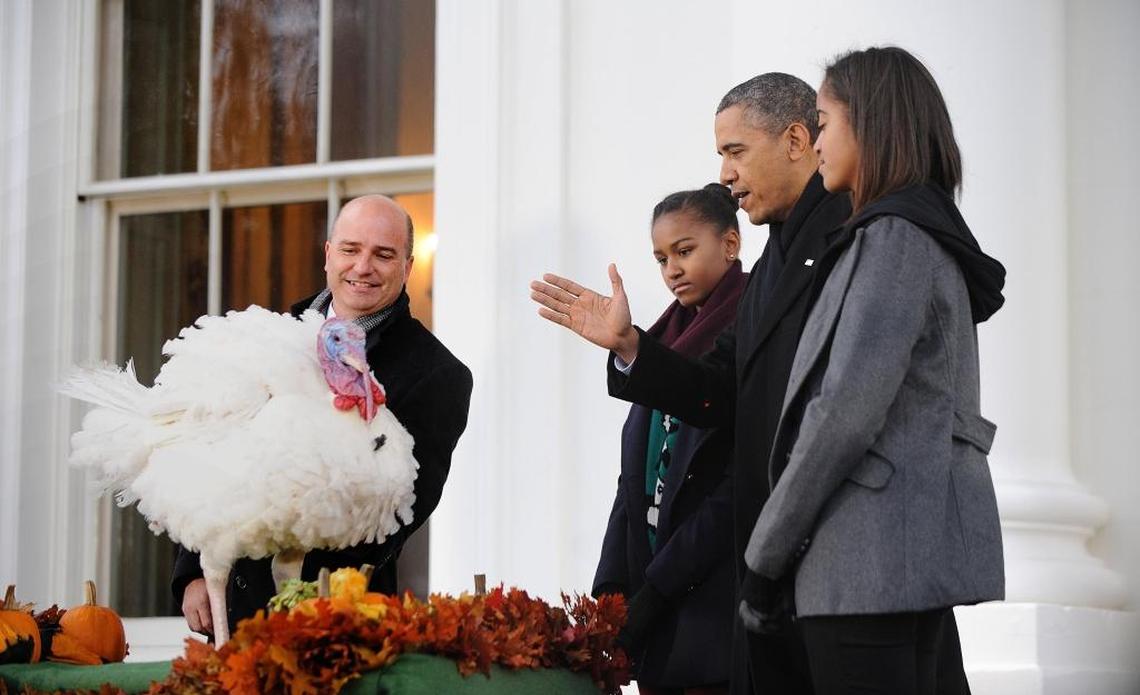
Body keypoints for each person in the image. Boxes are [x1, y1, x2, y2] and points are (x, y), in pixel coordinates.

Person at [531, 73, 850, 695]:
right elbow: (693, 415)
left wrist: (658, 589)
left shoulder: (838, 241)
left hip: (783, 588)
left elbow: (761, 447)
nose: (726, 175)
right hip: (719, 603)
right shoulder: (780, 255)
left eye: (735, 151)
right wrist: (630, 347)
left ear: (795, 140)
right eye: (661, 258)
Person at [738, 46, 1006, 694]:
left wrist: (763, 556)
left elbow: (844, 412)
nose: (819, 139)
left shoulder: (892, 238)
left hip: (865, 571)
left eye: (825, 121)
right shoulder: (916, 232)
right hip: (899, 563)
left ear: (873, 123)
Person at [173, 194, 473, 636]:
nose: (363, 266)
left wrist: (303, 596)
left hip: (337, 622)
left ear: (407, 269)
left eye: (383, 255)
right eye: (351, 249)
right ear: (328, 255)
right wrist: (195, 569)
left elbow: (397, 514)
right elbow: (207, 449)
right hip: (232, 608)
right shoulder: (266, 336)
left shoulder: (437, 375)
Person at [593, 184, 745, 694]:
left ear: (730, 244)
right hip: (658, 622)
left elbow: (732, 489)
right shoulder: (663, 340)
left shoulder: (751, 327)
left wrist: (654, 594)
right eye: (661, 258)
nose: (672, 270)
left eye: (684, 251)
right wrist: (611, 597)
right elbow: (632, 482)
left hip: (717, 623)